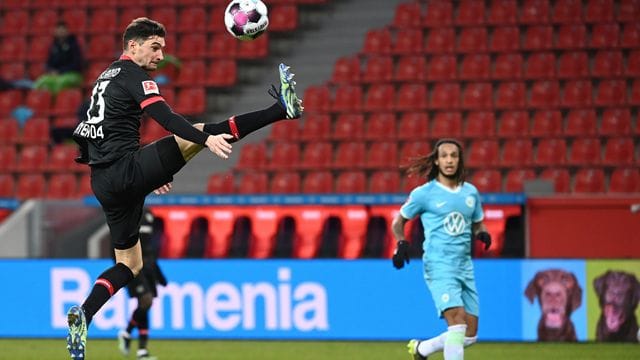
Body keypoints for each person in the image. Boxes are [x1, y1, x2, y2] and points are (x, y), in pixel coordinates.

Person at [65, 17, 303, 360]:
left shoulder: (104, 78)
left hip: (104, 181)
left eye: (163, 47)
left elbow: (92, 134)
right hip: (126, 171)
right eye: (155, 46)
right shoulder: (135, 76)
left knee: (129, 265)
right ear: (133, 46)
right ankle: (281, 109)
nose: (161, 55)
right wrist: (204, 140)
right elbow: (166, 117)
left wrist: (148, 174)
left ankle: (84, 314)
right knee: (204, 129)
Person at [390, 139, 492, 360]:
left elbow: (477, 222)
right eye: (444, 155)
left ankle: (421, 349)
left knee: (469, 334)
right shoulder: (423, 194)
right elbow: (398, 222)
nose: (449, 160)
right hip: (438, 265)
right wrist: (401, 243)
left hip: (464, 266)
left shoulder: (471, 193)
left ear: (459, 160)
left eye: (453, 155)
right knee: (457, 321)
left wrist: (481, 232)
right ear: (436, 161)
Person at [117, 207, 165, 360]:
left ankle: (140, 350)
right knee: (146, 300)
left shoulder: (149, 214)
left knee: (145, 304)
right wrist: (122, 269)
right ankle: (127, 333)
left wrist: (158, 274)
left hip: (149, 267)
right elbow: (118, 245)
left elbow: (149, 248)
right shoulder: (128, 213)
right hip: (134, 266)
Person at [34, 21, 84, 94]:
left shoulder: (74, 45)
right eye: (59, 29)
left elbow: (76, 64)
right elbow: (48, 63)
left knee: (59, 84)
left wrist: (60, 71)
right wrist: (51, 70)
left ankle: (54, 104)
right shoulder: (54, 45)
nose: (61, 32)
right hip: (56, 75)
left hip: (73, 74)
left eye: (63, 29)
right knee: (41, 81)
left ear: (67, 31)